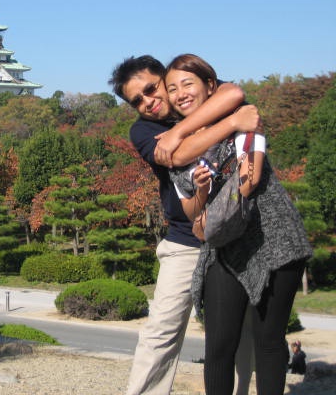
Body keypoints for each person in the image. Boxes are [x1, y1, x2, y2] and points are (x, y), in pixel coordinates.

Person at [109, 55, 261, 395]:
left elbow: (234, 93)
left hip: (237, 233)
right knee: (161, 330)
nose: (148, 101)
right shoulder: (143, 130)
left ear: (165, 78)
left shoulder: (196, 94)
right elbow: (177, 156)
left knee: (242, 330)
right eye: (137, 100)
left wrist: (178, 131)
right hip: (185, 240)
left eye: (152, 88)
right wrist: (231, 122)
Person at [164, 53, 313, 395]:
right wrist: (202, 192)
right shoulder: (176, 147)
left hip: (275, 239)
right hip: (223, 248)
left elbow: (251, 178)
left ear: (210, 86)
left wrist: (210, 206)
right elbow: (191, 211)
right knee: (218, 346)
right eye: (172, 89)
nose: (180, 94)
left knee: (269, 340)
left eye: (187, 84)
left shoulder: (243, 116)